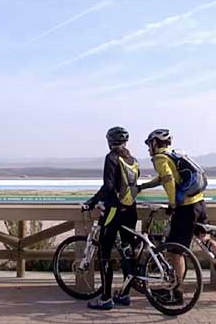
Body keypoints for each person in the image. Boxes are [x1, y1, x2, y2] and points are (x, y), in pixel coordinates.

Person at [139, 129, 216, 303]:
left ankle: (176, 293)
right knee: (203, 236)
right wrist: (144, 186)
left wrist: (172, 204)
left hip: (185, 208)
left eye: (149, 144)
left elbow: (168, 179)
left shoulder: (159, 158)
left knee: (176, 252)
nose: (148, 149)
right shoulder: (174, 155)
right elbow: (162, 178)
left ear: (155, 143)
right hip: (199, 203)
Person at [82, 126, 140, 310]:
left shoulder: (112, 158)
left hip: (114, 211)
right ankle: (124, 294)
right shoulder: (132, 159)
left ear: (109, 141)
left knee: (104, 253)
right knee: (126, 251)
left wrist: (92, 202)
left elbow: (108, 187)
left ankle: (106, 298)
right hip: (131, 210)